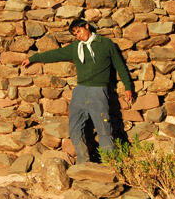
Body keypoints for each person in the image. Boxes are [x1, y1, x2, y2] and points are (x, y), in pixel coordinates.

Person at [21, 19, 133, 163]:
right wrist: (33, 58)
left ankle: (111, 167)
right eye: (75, 34)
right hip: (80, 92)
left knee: (104, 131)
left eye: (79, 31)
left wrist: (128, 86)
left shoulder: (105, 44)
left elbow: (120, 65)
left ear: (86, 27)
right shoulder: (76, 47)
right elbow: (55, 54)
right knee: (74, 130)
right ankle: (84, 165)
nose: (78, 36)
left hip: (98, 92)